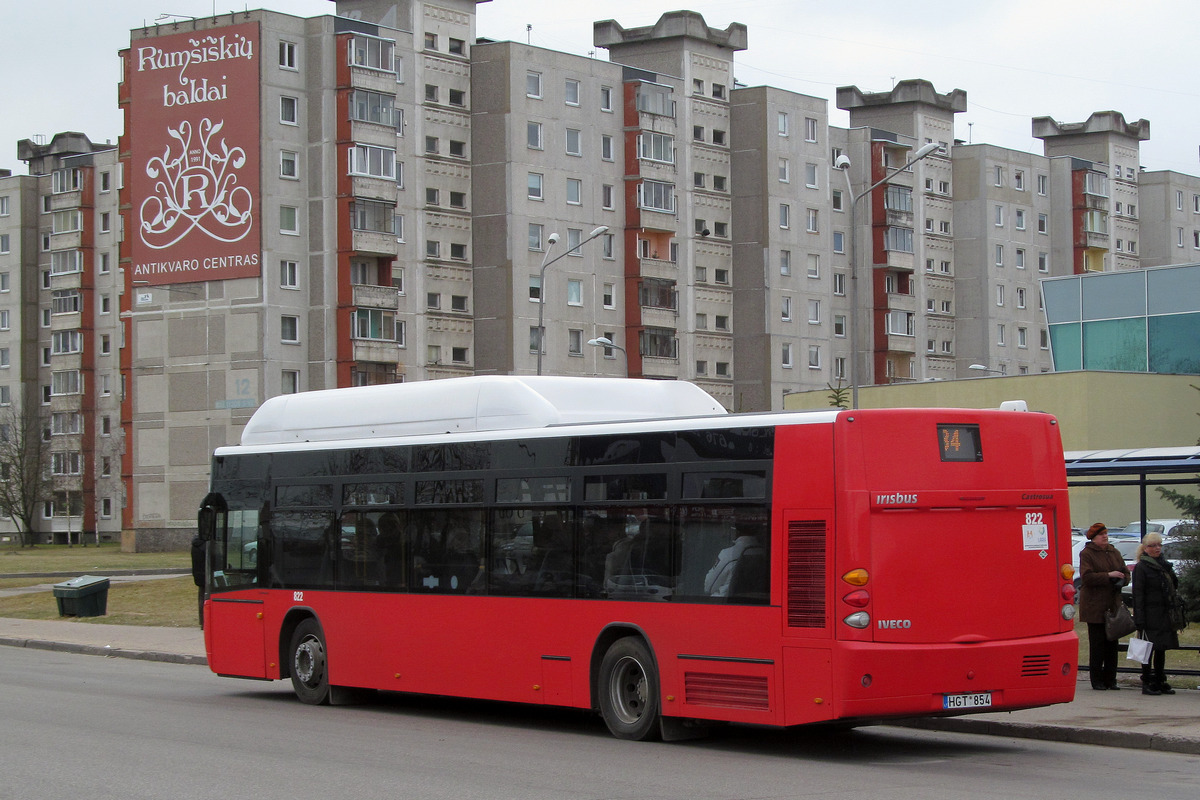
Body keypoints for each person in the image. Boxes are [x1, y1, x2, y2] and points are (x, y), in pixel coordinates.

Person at [1078, 523, 1130, 690]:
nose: (1105, 537)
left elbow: (1125, 571)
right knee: (1098, 644)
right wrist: (1108, 575)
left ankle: (1110, 679)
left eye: (1106, 534)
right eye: (1102, 535)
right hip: (1095, 607)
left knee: (1112, 644)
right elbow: (1087, 577)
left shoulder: (1114, 552)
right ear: (1094, 538)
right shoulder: (1087, 554)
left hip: (1112, 605)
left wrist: (1123, 579)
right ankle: (1097, 680)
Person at [1132, 532, 1181, 695]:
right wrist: (1139, 618)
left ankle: (1160, 680)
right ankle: (1147, 681)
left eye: (1159, 545)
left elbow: (1174, 585)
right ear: (1145, 548)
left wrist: (1168, 570)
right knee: (1148, 649)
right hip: (1149, 613)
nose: (1157, 548)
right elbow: (1138, 594)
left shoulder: (1164, 565)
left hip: (1164, 613)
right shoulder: (1141, 567)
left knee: (1162, 648)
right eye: (1153, 546)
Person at [190, 534, 205, 630]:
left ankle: (202, 621)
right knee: (207, 600)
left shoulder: (194, 546)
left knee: (201, 598)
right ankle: (205, 621)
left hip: (197, 575)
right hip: (206, 574)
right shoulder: (205, 546)